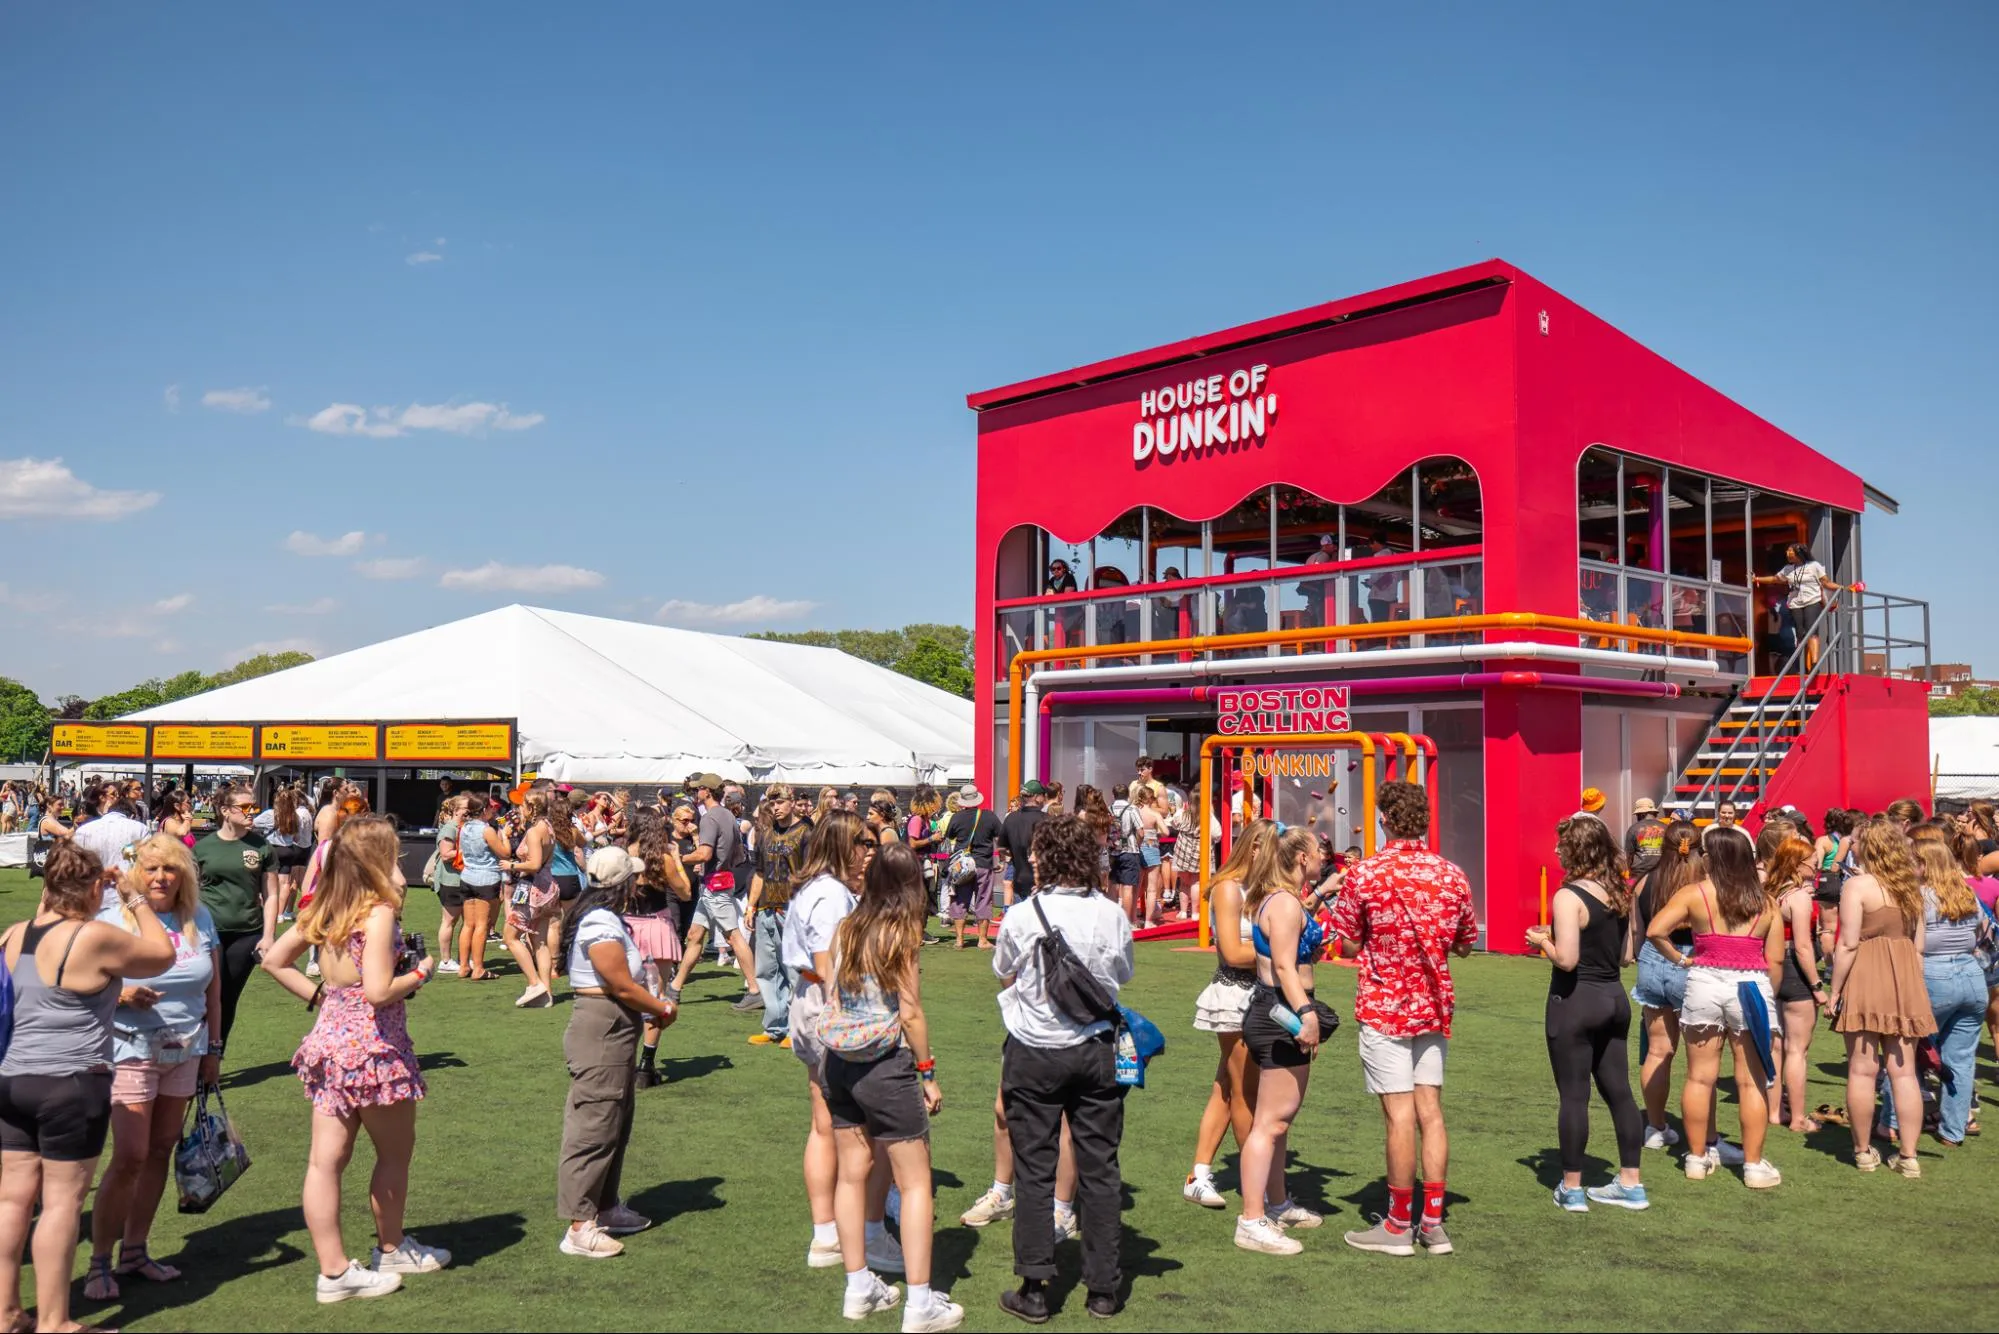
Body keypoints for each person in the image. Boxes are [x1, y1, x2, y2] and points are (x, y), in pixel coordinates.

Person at [262, 815, 448, 1301]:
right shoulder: (378, 911)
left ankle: (334, 1270)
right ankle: (391, 1246)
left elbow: (274, 960)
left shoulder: (326, 906)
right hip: (373, 1047)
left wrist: (322, 996)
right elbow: (381, 989)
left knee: (324, 1163)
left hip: (329, 1043)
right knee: (394, 1153)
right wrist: (423, 972)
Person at [0, 842, 176, 1334]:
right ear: (96, 886)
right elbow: (161, 953)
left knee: (13, 1200)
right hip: (71, 1085)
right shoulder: (94, 937)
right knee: (60, 1203)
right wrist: (133, 896)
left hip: (13, 1079)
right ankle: (55, 1321)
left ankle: (7, 1311)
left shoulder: (15, 934)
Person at [993, 815, 1133, 1322]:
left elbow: (1003, 968)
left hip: (1034, 1048)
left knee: (1034, 1170)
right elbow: (1122, 973)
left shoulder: (1023, 913)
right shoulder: (1111, 913)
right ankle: (1103, 1288)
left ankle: (1033, 1286)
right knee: (1100, 1169)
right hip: (1095, 1049)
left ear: (1046, 857)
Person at [1326, 781, 1477, 1256]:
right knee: (1430, 1112)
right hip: (1433, 1005)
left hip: (1385, 1005)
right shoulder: (1451, 874)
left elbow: (1346, 943)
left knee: (1398, 1116)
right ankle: (1431, 1222)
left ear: (1385, 820)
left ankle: (1397, 1225)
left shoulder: (1365, 874)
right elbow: (1465, 942)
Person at [821, 844, 962, 1331]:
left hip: (838, 1060)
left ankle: (858, 1286)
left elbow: (830, 986)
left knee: (851, 1173)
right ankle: (920, 1303)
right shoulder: (902, 932)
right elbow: (910, 1011)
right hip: (885, 1062)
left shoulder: (848, 926)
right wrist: (927, 1072)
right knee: (917, 1181)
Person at [81, 833, 223, 1302]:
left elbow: (213, 989)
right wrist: (121, 994)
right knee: (129, 1157)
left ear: (184, 874)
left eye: (170, 869)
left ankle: (136, 1252)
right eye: (151, 869)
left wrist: (214, 1049)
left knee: (162, 1149)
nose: (161, 878)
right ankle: (99, 1259)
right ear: (134, 873)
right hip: (130, 1048)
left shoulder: (198, 917)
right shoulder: (109, 918)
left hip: (186, 1049)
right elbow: (75, 979)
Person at [784, 811, 902, 1276]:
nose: (869, 851)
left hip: (810, 1002)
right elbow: (828, 961)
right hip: (830, 1005)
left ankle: (828, 1231)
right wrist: (849, 1017)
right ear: (841, 845)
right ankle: (857, 1228)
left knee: (824, 1122)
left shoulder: (816, 890)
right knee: (856, 1127)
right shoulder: (832, 895)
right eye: (861, 842)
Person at [1644, 826, 1784, 1187]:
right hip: (1751, 987)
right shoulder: (1766, 902)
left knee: (1699, 1076)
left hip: (1704, 982)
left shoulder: (1695, 893)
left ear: (1713, 857)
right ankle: (1753, 1166)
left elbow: (1655, 930)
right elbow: (1776, 961)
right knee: (1751, 1081)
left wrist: (1680, 959)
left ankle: (1696, 1157)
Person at [556, 847, 677, 1258]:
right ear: (623, 882)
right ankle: (579, 1225)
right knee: (594, 1125)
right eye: (634, 878)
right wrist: (660, 1007)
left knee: (614, 1121)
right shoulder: (600, 922)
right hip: (602, 1024)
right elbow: (620, 984)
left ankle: (604, 1207)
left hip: (613, 1024)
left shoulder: (601, 918)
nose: (638, 883)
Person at [1525, 813, 1647, 1211]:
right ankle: (1632, 1183)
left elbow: (1567, 960)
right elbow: (1628, 955)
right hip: (1614, 998)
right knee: (1621, 1094)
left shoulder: (1568, 895)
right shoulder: (1619, 892)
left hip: (1576, 1001)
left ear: (1576, 849)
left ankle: (1572, 1188)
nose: (1556, 849)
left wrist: (1542, 941)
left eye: (1562, 844)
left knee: (1574, 1097)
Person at [1231, 828, 1336, 1255]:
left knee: (1278, 1121)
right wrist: (1306, 1014)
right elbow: (1284, 966)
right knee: (1269, 1122)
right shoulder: (1286, 903)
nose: (1322, 857)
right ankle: (1252, 1219)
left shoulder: (1278, 897)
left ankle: (1275, 1203)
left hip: (1273, 1008)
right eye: (1317, 853)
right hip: (1281, 1009)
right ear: (1299, 860)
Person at [1827, 818, 1938, 1174]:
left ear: (1869, 846)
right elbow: (1919, 949)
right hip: (1904, 977)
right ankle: (1909, 1156)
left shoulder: (1857, 886)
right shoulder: (1912, 888)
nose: (1852, 845)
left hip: (1866, 974)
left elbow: (1847, 944)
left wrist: (1834, 991)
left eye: (1857, 841)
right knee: (1904, 1073)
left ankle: (1862, 1152)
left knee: (1861, 1070)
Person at [1186, 821, 1280, 1210]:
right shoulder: (1229, 887)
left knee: (1226, 1087)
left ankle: (1199, 1176)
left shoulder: (1266, 889)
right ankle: (1262, 1190)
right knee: (1246, 1093)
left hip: (1260, 995)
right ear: (1254, 847)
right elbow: (1231, 950)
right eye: (1276, 852)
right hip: (1235, 994)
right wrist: (1285, 952)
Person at [1626, 820, 1706, 1151]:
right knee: (1702, 1062)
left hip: (1652, 960)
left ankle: (1656, 1128)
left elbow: (1637, 930)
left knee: (1659, 1050)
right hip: (1692, 961)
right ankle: (1704, 1140)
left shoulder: (1644, 882)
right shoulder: (1703, 883)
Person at [1909, 828, 1986, 1147]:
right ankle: (1953, 1131)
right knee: (1962, 1058)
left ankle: (1894, 1121)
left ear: (1925, 865)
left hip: (1934, 973)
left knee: (1908, 1052)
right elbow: (1983, 931)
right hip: (1971, 975)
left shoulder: (1919, 896)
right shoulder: (1966, 893)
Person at [666, 776, 762, 1012]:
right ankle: (675, 987)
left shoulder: (710, 817)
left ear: (706, 791)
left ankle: (754, 990)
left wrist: (677, 858)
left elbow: (705, 854)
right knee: (695, 934)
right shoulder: (728, 814)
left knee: (734, 937)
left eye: (699, 789)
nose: (696, 792)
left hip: (715, 885)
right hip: (718, 883)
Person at [194, 781, 272, 1047]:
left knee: (227, 995)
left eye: (254, 807)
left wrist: (269, 936)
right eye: (245, 807)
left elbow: (271, 896)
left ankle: (215, 1054)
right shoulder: (202, 848)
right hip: (206, 932)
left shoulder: (261, 847)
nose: (251, 812)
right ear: (225, 811)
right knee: (202, 994)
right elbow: (190, 892)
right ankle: (196, 1057)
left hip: (246, 933)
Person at [1766, 835, 1830, 1134]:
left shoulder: (1771, 891)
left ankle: (1775, 1111)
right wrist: (1817, 985)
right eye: (1813, 863)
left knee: (1776, 1045)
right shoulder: (1800, 898)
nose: (1816, 867)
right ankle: (1798, 1117)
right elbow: (1804, 946)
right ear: (1798, 864)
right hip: (1794, 969)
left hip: (1771, 966)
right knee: (1797, 1050)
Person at [747, 784, 814, 1048]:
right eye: (771, 804)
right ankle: (774, 1025)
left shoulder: (806, 832)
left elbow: (811, 873)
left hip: (792, 908)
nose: (775, 808)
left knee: (794, 971)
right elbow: (760, 873)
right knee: (766, 970)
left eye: (779, 802)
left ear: (793, 802)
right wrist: (751, 906)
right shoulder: (765, 835)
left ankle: (796, 1029)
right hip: (766, 907)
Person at [499, 791, 565, 1007]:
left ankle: (534, 983)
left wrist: (512, 865)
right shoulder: (549, 827)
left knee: (510, 937)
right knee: (541, 941)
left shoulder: (535, 831)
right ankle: (546, 993)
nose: (520, 809)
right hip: (547, 887)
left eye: (522, 806)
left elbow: (534, 863)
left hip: (532, 888)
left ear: (530, 808)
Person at [1753, 542, 1842, 668]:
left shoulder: (1814, 566)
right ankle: (1801, 663)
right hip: (1795, 603)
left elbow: (1826, 583)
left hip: (1812, 600)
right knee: (1800, 633)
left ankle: (1815, 664)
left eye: (1790, 552)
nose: (1788, 554)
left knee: (1811, 630)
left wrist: (1844, 587)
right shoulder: (1788, 569)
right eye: (1787, 552)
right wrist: (1757, 579)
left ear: (1799, 553)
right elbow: (1775, 579)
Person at [941, 783, 1001, 950]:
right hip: (984, 864)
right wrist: (1001, 860)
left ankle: (959, 939)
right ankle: (982, 940)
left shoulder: (957, 817)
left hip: (962, 865)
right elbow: (1000, 836)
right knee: (984, 900)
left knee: (960, 900)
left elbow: (950, 835)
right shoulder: (989, 816)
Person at [454, 794, 506, 982]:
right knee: (482, 925)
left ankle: (463, 966)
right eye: (491, 807)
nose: (493, 810)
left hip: (468, 876)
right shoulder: (487, 830)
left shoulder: (465, 826)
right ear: (484, 809)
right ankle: (478, 968)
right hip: (486, 877)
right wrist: (504, 835)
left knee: (468, 924)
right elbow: (505, 853)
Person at [996, 780, 1049, 905]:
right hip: (1041, 881)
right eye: (1043, 795)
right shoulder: (1047, 819)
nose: (1044, 799)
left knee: (1022, 921)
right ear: (1037, 797)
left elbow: (1002, 847)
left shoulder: (1011, 818)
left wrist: (1014, 855)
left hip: (1019, 878)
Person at [431, 793, 466, 976]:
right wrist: (470, 848)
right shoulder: (450, 829)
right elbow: (446, 854)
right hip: (450, 881)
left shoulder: (460, 827)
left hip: (460, 880)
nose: (469, 812)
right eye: (466, 808)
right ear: (456, 810)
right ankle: (445, 960)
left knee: (463, 921)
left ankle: (462, 957)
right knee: (449, 921)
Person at [1623, 797, 1666, 877]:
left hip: (1640, 874)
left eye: (1637, 815)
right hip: (1662, 874)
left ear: (1642, 814)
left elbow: (1628, 856)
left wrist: (1630, 873)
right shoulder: (1666, 828)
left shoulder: (1634, 829)